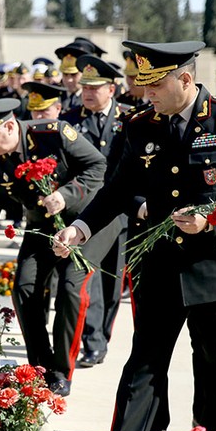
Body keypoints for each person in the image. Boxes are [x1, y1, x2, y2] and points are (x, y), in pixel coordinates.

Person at [53, 40, 216, 431]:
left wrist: (210, 214)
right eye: (143, 85)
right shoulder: (141, 125)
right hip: (160, 268)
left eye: (155, 86)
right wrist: (80, 228)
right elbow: (115, 189)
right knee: (143, 367)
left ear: (185, 79)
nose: (145, 94)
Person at [0, 98, 108, 397]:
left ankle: (62, 371)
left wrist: (66, 194)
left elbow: (98, 165)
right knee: (24, 287)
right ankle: (41, 367)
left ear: (9, 126)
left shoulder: (53, 133)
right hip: (43, 228)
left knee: (72, 291)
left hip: (87, 221)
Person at [62, 54, 128, 369]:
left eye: (95, 87)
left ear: (111, 89)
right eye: (85, 87)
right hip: (88, 212)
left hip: (124, 212)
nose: (87, 93)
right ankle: (93, 341)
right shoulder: (70, 120)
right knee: (91, 275)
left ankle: (101, 335)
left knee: (113, 280)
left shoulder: (129, 119)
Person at [55, 42, 88, 115]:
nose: (69, 80)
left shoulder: (90, 97)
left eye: (74, 75)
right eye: (65, 74)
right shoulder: (54, 95)